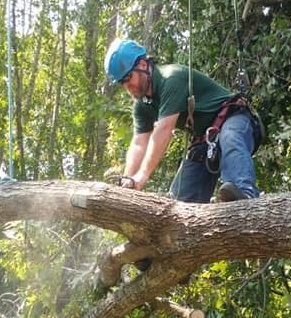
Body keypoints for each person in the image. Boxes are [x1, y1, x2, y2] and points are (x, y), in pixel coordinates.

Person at [104, 37, 261, 204]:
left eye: (128, 78)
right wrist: (126, 183)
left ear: (142, 65)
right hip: (205, 140)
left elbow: (164, 130)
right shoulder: (142, 106)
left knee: (229, 137)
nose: (127, 86)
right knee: (179, 203)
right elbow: (138, 144)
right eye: (122, 83)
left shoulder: (171, 79)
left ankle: (245, 196)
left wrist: (141, 176)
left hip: (235, 119)